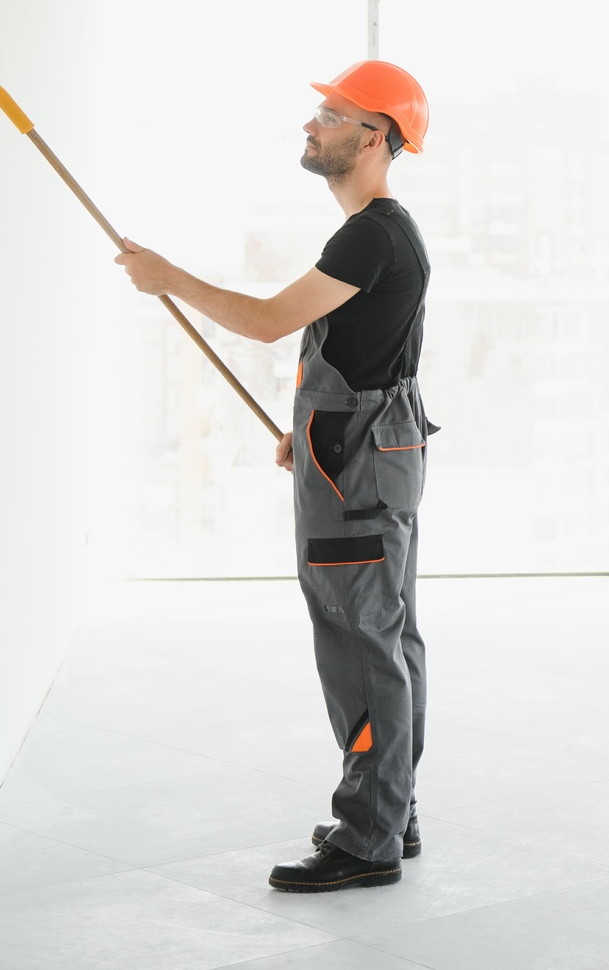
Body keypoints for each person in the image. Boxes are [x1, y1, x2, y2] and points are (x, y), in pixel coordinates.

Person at [115, 61, 434, 892]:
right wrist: (311, 426)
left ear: (375, 137)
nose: (311, 125)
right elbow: (374, 357)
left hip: (356, 465)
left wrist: (168, 278)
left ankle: (368, 838)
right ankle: (390, 812)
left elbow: (263, 322)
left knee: (362, 641)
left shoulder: (370, 233)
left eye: (330, 114)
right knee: (388, 633)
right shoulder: (387, 232)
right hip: (367, 450)